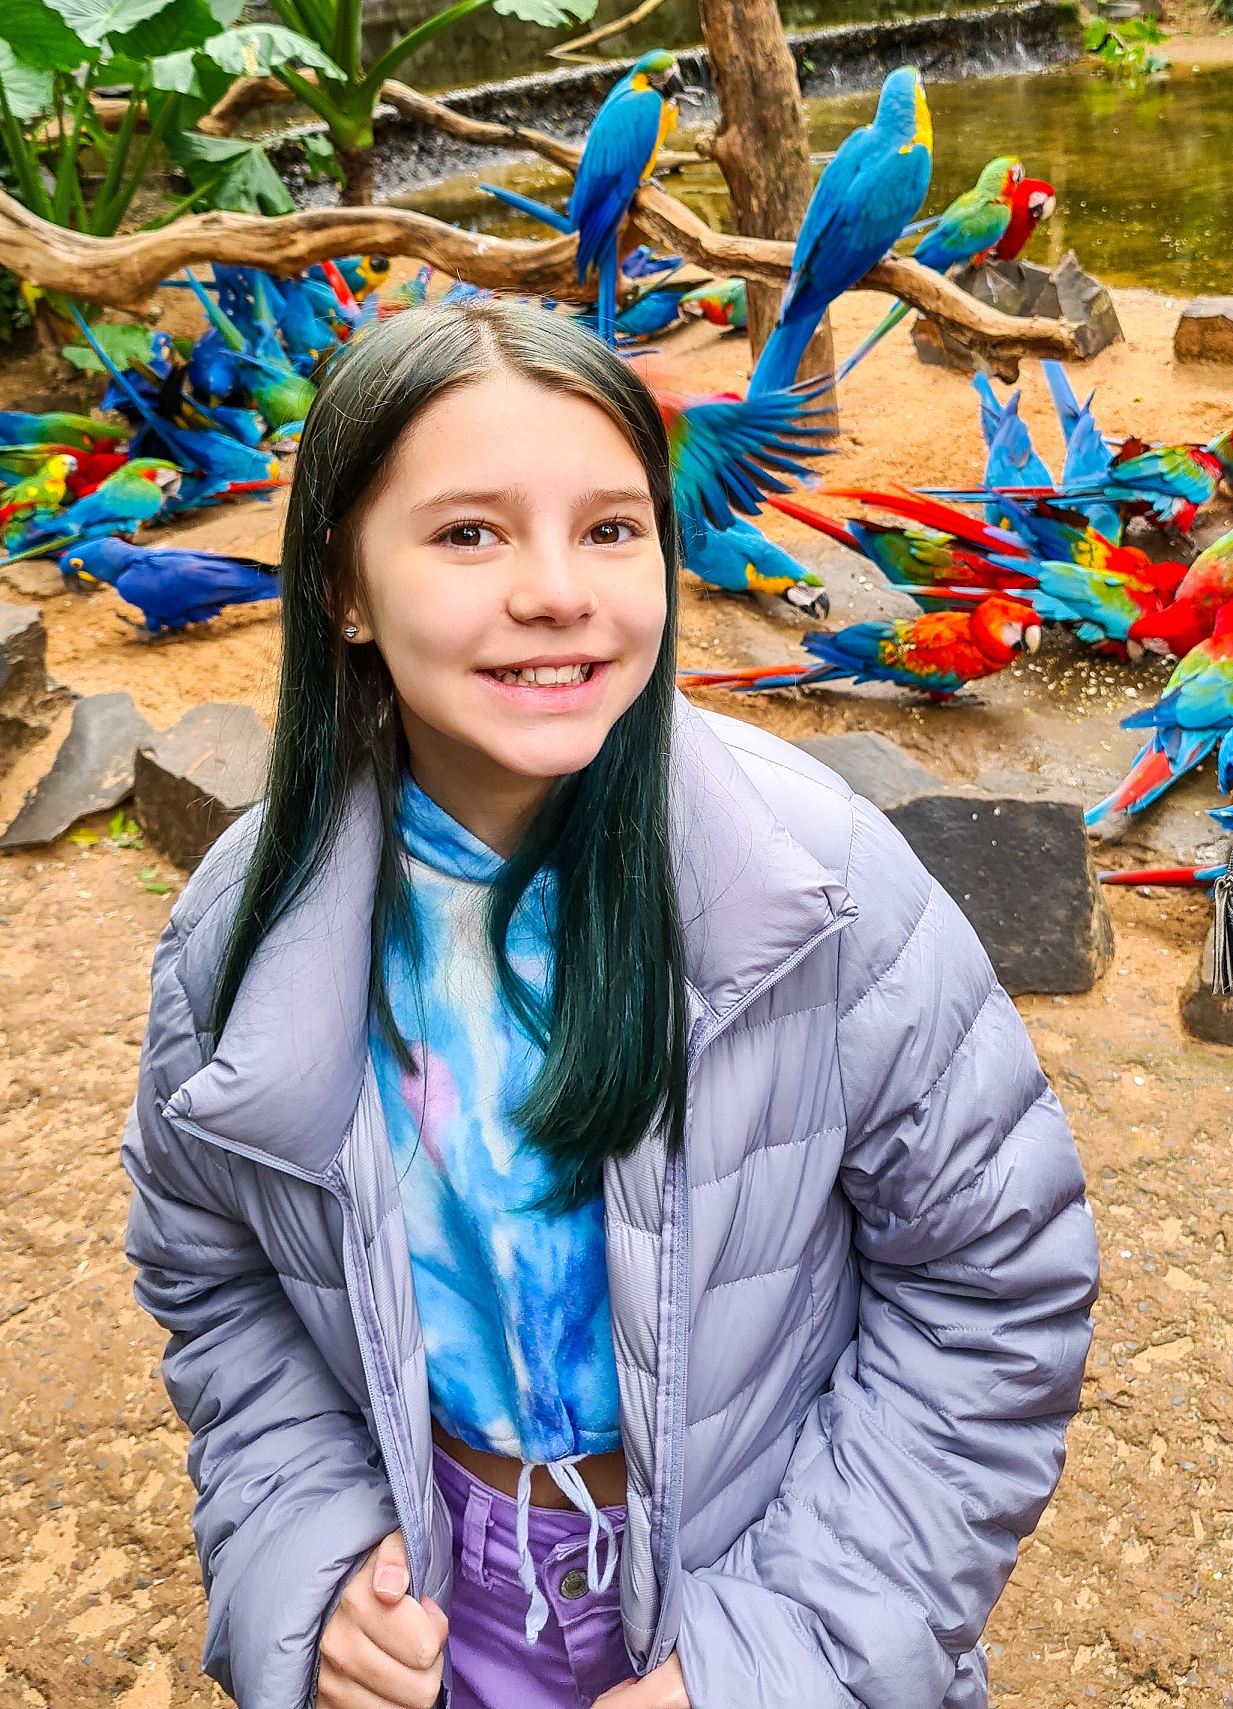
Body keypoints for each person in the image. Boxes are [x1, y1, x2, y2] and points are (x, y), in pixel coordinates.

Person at [123, 301, 1099, 1709]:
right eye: (469, 533)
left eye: (609, 528)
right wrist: (306, 1549)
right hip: (437, 1629)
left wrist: (773, 1656)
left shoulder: (815, 887)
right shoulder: (235, 931)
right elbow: (212, 1285)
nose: (554, 590)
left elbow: (992, 1287)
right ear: (341, 583)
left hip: (750, 1597)